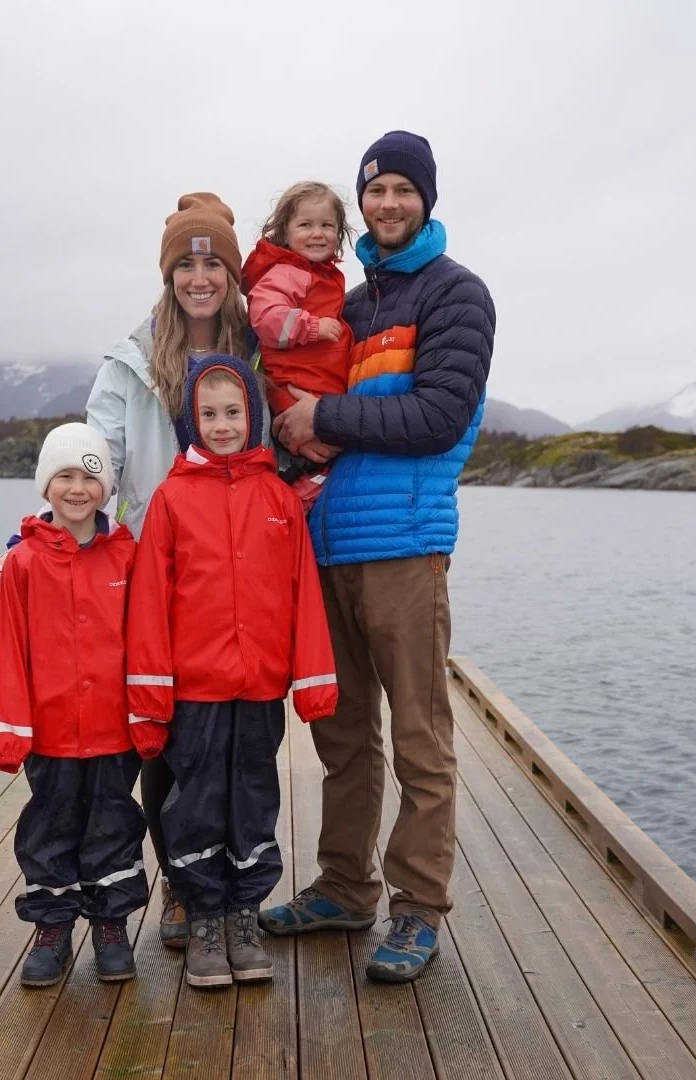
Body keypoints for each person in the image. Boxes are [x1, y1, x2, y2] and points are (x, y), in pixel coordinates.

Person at [261, 131, 496, 984]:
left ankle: (418, 908)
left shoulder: (456, 294)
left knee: (421, 739)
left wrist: (322, 418)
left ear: (425, 199)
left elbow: (437, 417)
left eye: (403, 189)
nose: (388, 203)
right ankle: (344, 887)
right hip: (328, 548)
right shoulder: (352, 306)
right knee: (344, 735)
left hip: (405, 546)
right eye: (376, 190)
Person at [124, 354, 337, 988]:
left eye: (233, 412)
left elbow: (304, 595)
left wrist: (314, 678)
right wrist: (149, 698)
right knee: (196, 803)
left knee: (253, 797)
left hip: (260, 688)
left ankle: (244, 913)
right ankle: (204, 919)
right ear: (192, 419)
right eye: (209, 414)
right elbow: (149, 606)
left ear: (253, 416)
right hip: (195, 691)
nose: (222, 425)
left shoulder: (279, 498)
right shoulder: (171, 499)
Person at [83, 192, 251, 951]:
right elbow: (101, 453)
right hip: (156, 564)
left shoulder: (257, 348)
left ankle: (233, 882)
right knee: (166, 731)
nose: (199, 277)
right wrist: (67, 526)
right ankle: (181, 886)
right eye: (185, 264)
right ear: (168, 274)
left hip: (235, 570)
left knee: (235, 740)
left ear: (231, 274)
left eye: (212, 263)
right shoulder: (131, 360)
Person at [0, 423, 147, 987]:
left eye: (91, 478)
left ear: (107, 489)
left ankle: (110, 926)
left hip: (114, 730)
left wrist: (148, 712)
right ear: (45, 484)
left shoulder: (126, 556)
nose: (78, 489)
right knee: (50, 828)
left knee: (112, 825)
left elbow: (145, 640)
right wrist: (7, 725)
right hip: (50, 732)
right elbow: (8, 649)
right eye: (66, 476)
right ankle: (52, 929)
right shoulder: (22, 562)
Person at [240, 181, 355, 507]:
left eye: (327, 225)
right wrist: (312, 326)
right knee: (310, 472)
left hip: (318, 392)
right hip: (299, 387)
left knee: (322, 466)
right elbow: (265, 317)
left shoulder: (320, 275)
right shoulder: (289, 271)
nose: (317, 233)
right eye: (305, 225)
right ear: (285, 231)